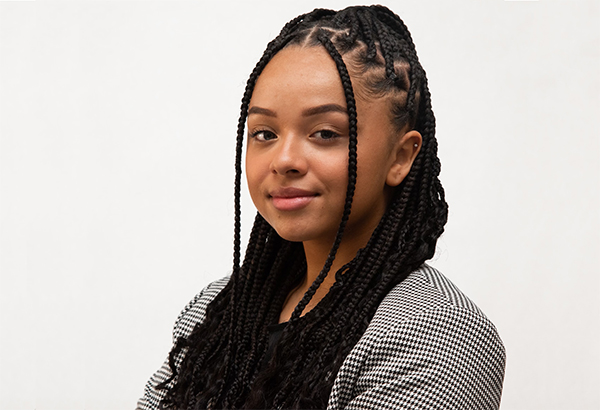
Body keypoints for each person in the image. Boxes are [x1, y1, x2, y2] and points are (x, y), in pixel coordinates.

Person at [137, 5, 505, 410]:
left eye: (325, 133)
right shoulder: (216, 310)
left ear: (401, 156)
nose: (284, 159)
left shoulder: (437, 334)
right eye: (264, 133)